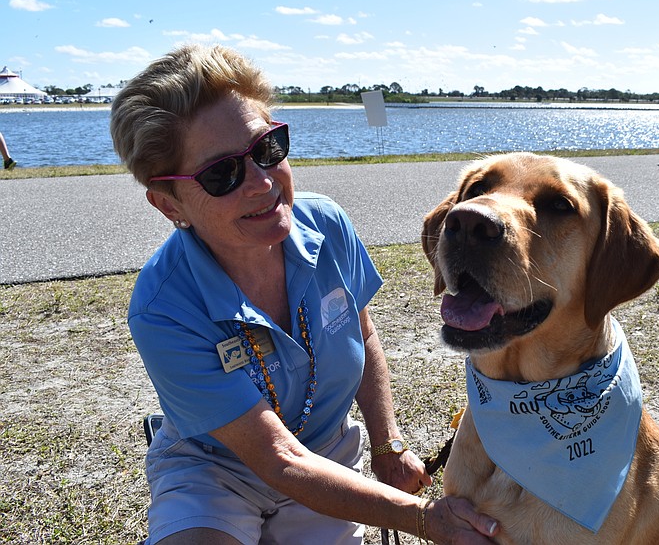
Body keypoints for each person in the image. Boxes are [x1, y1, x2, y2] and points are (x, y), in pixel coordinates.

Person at [110, 44, 499, 545]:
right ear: (169, 205)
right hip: (216, 472)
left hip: (328, 454)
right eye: (221, 174)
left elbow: (362, 330)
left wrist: (387, 444)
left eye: (268, 149)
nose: (262, 182)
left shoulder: (328, 224)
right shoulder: (162, 308)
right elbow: (278, 459)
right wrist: (423, 517)